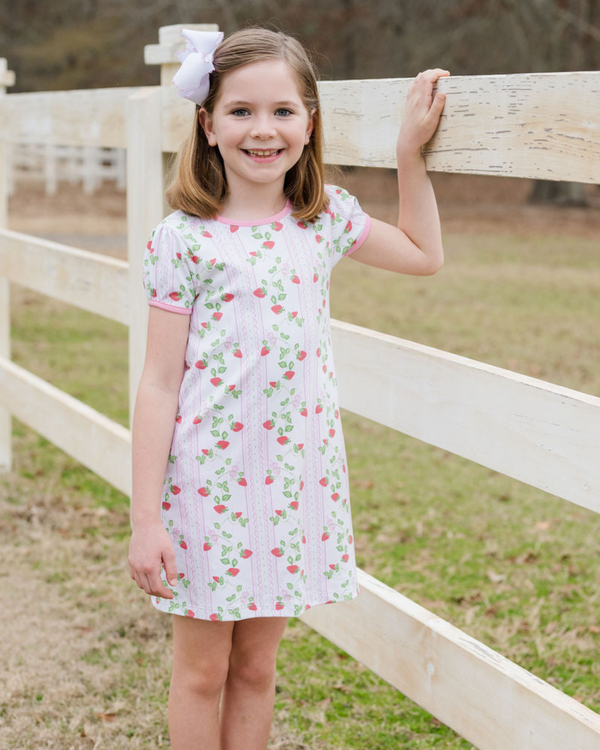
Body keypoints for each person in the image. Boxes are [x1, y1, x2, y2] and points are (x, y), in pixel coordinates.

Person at [128, 23, 448, 750]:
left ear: (309, 123)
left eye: (282, 111)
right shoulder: (183, 239)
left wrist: (408, 156)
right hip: (205, 492)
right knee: (203, 672)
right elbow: (156, 384)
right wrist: (147, 519)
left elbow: (425, 255)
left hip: (292, 486)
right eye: (241, 111)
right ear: (208, 126)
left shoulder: (324, 217)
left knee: (258, 668)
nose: (263, 130)